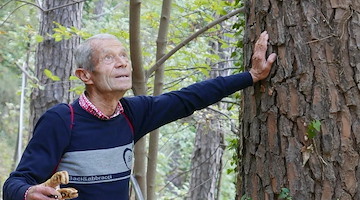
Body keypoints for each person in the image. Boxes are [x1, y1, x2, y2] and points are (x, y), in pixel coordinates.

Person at [3, 31, 276, 200]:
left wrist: (250, 77)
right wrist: (28, 193)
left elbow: (188, 98)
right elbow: (14, 184)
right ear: (85, 75)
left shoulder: (133, 113)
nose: (123, 62)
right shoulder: (62, 120)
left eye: (124, 55)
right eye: (109, 58)